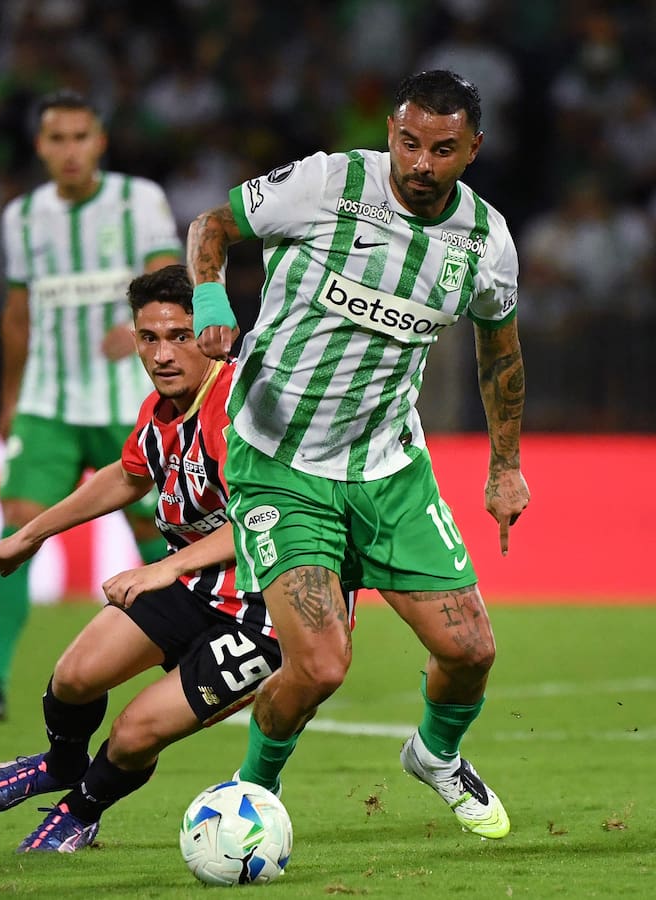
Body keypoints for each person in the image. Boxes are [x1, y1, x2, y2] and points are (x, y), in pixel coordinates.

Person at [185, 70, 528, 839]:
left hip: (388, 468)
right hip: (282, 461)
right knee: (318, 668)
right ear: (390, 133)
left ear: (473, 149)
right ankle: (249, 796)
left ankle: (435, 756)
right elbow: (212, 225)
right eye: (409, 143)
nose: (421, 164)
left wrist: (505, 464)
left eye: (443, 149)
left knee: (471, 649)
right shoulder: (329, 183)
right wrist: (212, 300)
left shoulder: (486, 240)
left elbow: (500, 351)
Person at [0, 265, 354, 852]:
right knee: (73, 677)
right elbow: (127, 474)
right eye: (149, 338)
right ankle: (64, 762)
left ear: (210, 335)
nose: (163, 354)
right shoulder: (163, 408)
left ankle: (80, 809)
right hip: (198, 586)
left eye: (180, 336)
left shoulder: (240, 411)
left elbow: (266, 518)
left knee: (134, 732)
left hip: (269, 613)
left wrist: (163, 567)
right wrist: (32, 534)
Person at [0, 89, 181, 722]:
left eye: (81, 137)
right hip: (47, 401)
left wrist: (138, 324)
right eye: (58, 139)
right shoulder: (22, 216)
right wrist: (9, 397)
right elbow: (17, 315)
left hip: (127, 402)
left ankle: (194, 651)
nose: (70, 150)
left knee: (160, 528)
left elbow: (169, 282)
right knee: (18, 524)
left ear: (99, 142)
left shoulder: (140, 201)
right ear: (40, 146)